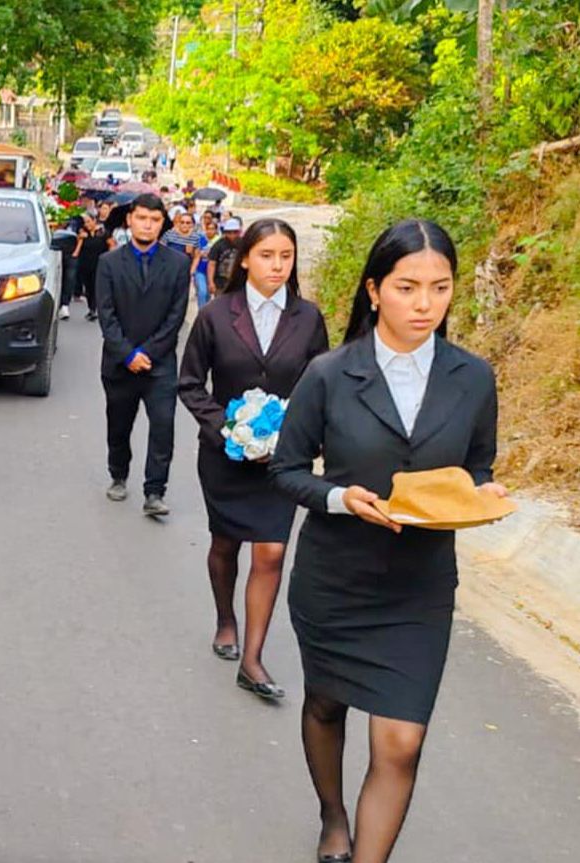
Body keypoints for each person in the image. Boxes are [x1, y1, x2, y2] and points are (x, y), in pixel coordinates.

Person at [270, 219, 503, 863]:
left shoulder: (473, 378)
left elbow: (477, 466)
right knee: (325, 705)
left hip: (419, 588)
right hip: (336, 580)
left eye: (440, 288)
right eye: (407, 287)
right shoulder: (328, 374)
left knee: (400, 742)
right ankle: (332, 816)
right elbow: (286, 470)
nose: (425, 304)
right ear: (375, 290)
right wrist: (342, 498)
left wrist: (480, 498)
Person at [178, 219, 329, 702]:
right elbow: (189, 383)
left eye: (286, 256)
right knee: (225, 545)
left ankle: (253, 658)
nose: (277, 265)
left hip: (282, 461)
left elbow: (319, 384)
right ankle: (226, 618)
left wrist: (301, 433)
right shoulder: (217, 315)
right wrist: (227, 426)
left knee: (271, 552)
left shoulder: (308, 318)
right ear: (245, 259)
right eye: (267, 255)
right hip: (225, 455)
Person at [94, 193, 190, 517]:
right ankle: (118, 474)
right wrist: (128, 354)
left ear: (162, 224)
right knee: (119, 425)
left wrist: (147, 352)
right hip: (119, 365)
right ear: (130, 220)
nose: (147, 225)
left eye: (155, 219)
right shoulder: (109, 264)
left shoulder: (178, 264)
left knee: (163, 426)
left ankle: (154, 492)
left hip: (159, 364)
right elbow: (106, 316)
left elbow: (176, 316)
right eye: (142, 218)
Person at [160, 209, 205, 304]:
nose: (185, 225)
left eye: (188, 222)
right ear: (178, 223)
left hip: (184, 272)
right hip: (167, 270)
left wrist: (191, 271)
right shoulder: (169, 234)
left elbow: (197, 257)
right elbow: (160, 250)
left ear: (192, 224)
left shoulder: (195, 238)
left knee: (179, 298)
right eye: (182, 222)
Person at [74, 209, 110, 323]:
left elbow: (112, 245)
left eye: (89, 221)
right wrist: (80, 239)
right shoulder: (83, 233)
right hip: (85, 264)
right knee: (89, 288)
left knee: (97, 287)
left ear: (94, 220)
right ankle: (91, 308)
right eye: (85, 222)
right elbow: (76, 252)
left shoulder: (103, 233)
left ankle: (96, 309)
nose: (87, 224)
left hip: (100, 265)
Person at [207, 217, 243, 296]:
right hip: (221, 283)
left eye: (235, 232)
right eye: (229, 232)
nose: (232, 235)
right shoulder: (218, 245)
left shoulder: (243, 244)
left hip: (239, 283)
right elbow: (212, 264)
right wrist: (211, 282)